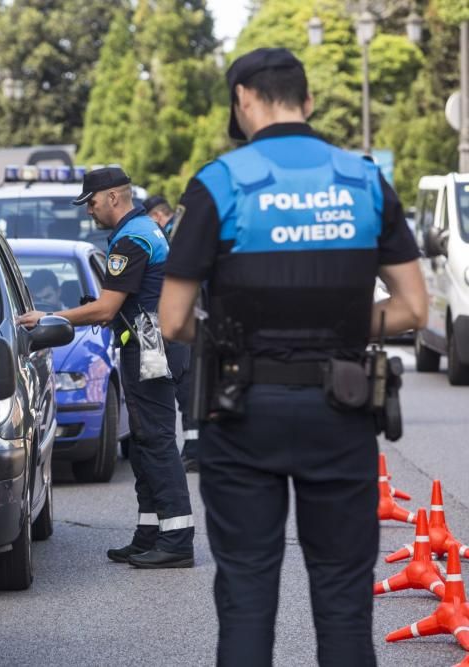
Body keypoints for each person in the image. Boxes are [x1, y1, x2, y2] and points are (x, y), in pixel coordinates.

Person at [157, 48, 428, 666]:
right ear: (307, 102)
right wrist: (333, 327)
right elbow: (413, 308)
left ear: (244, 100)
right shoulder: (363, 180)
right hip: (341, 408)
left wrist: (238, 337)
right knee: (342, 602)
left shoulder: (218, 184)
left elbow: (173, 320)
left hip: (242, 410)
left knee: (248, 598)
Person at [18, 166, 195, 569]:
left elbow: (106, 307)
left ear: (114, 197)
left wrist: (51, 315)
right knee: (147, 443)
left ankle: (177, 540)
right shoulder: (145, 230)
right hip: (157, 343)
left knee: (157, 442)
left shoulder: (130, 240)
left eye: (92, 202)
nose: (89, 212)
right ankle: (151, 534)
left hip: (151, 347)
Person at [142, 194, 200, 473]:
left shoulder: (156, 237)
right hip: (157, 327)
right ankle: (180, 451)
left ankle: (184, 452)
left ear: (155, 216)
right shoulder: (164, 236)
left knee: (171, 392)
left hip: (154, 328)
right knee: (175, 391)